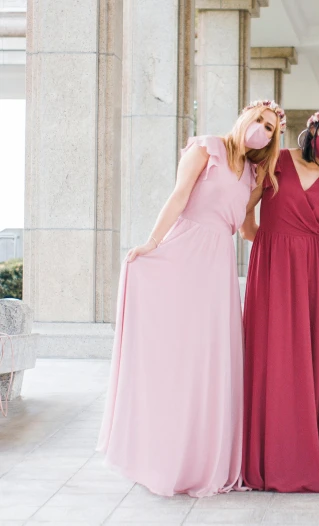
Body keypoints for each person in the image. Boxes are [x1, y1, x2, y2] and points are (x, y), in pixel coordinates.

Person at [98, 100, 285, 497]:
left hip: (216, 266)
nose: (263, 131)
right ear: (245, 116)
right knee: (174, 354)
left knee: (207, 359)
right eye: (261, 122)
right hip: (183, 251)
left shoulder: (254, 175)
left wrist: (295, 234)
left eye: (271, 129)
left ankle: (199, 458)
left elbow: (249, 230)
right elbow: (179, 196)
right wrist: (152, 242)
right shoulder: (206, 148)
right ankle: (160, 454)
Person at [240, 105, 319, 493]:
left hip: (309, 273)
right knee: (268, 356)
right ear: (313, 129)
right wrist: (271, 245)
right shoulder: (279, 159)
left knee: (302, 361)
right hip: (271, 268)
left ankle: (297, 453)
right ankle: (264, 458)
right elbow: (245, 217)